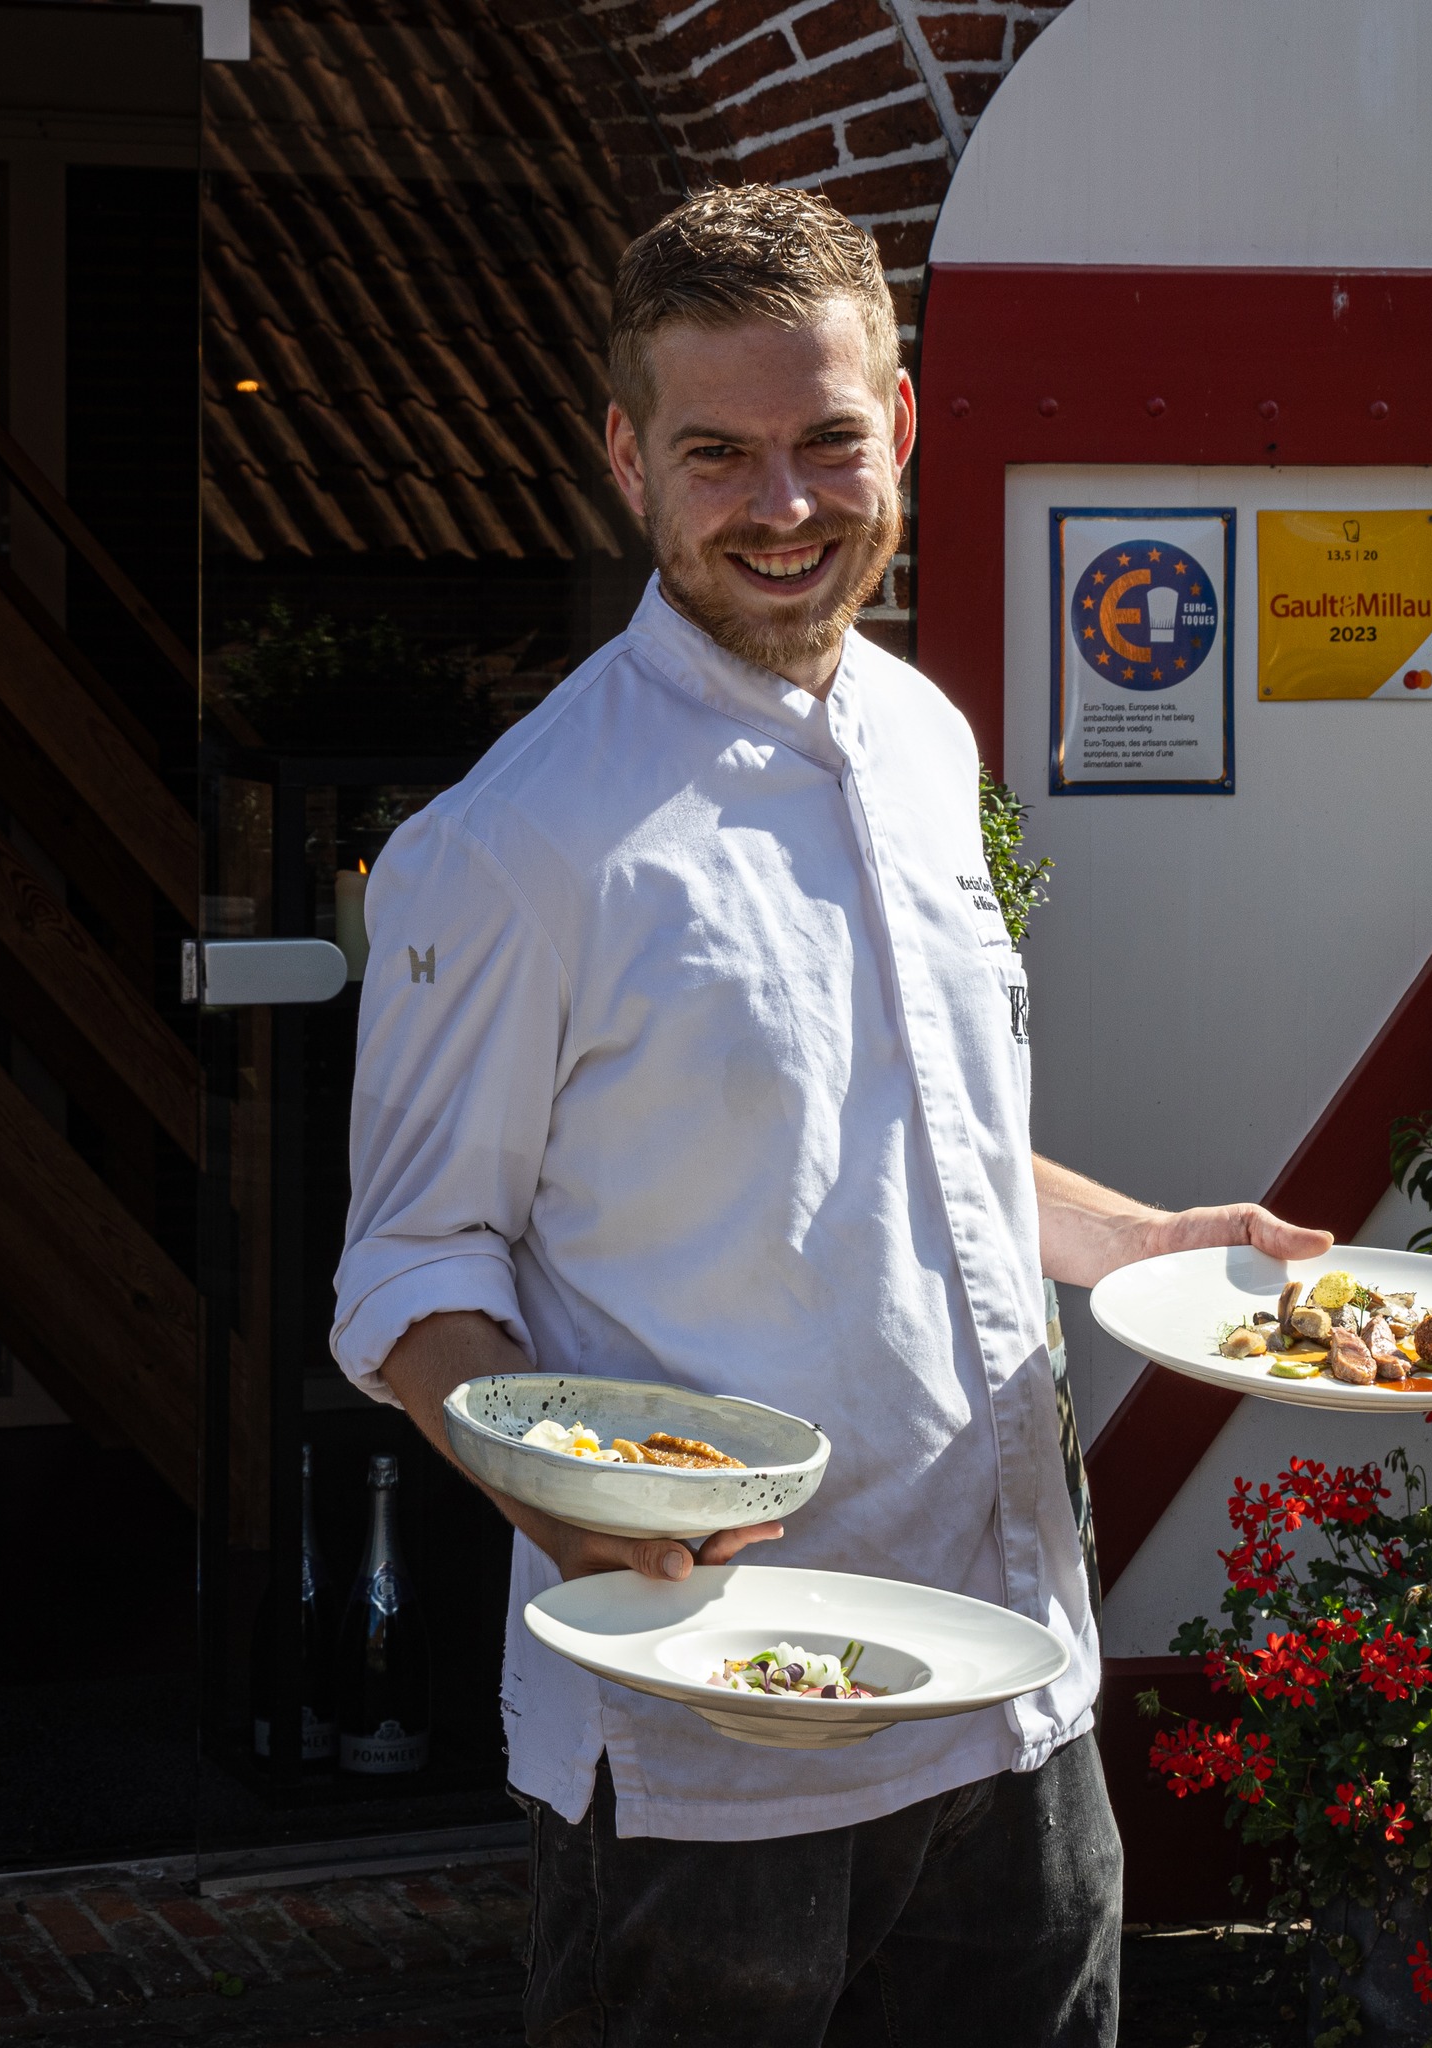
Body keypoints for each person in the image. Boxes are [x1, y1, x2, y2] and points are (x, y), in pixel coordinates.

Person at [330, 185, 1331, 2048]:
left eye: (826, 444)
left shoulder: (929, 738)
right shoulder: (518, 840)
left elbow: (923, 1137)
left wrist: (1145, 1246)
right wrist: (568, 1508)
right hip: (717, 1740)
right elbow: (406, 1270)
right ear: (627, 455)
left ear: (909, 426)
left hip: (1015, 1690)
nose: (783, 508)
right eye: (717, 454)